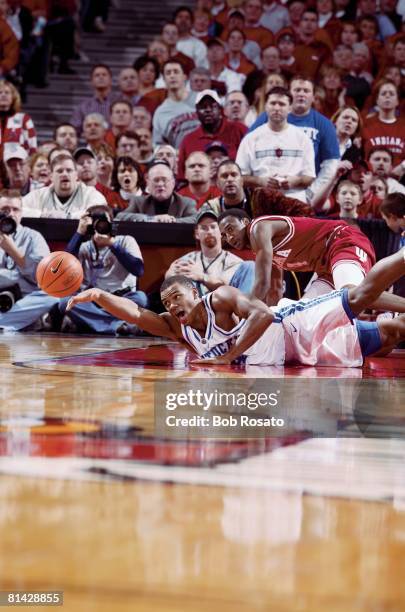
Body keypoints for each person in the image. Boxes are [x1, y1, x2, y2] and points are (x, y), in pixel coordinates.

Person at [66, 248, 405, 367]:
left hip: (291, 324)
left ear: (194, 293)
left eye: (177, 298)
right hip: (295, 357)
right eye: (167, 303)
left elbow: (262, 314)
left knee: (359, 296)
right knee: (389, 337)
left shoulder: (220, 299)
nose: (172, 305)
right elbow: (136, 313)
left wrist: (229, 356)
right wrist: (98, 295)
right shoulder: (177, 327)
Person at [217, 208, 377, 303]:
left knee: (350, 295)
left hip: (341, 240)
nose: (229, 238)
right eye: (224, 235)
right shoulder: (263, 249)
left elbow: (261, 285)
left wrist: (244, 317)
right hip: (325, 268)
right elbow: (274, 290)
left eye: (231, 229)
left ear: (245, 222)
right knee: (304, 315)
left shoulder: (258, 228)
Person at [248, 76, 340, 202]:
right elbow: (249, 150)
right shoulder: (266, 117)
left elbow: (330, 165)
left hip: (305, 191)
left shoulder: (324, 124)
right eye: (297, 90)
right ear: (289, 94)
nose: (301, 94)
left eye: (306, 91)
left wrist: (312, 193)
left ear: (313, 97)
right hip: (267, 190)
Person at [60, 205, 148, 335]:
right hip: (94, 300)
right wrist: (79, 232)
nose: (100, 227)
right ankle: (119, 326)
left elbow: (138, 270)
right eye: (96, 224)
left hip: (122, 299)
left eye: (104, 222)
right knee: (65, 302)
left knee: (141, 298)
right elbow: (64, 268)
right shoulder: (84, 247)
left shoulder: (125, 241)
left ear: (112, 223)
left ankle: (94, 323)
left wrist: (112, 245)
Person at [236, 87, 315, 202]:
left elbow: (309, 177)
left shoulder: (303, 139)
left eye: (282, 104)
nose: (277, 108)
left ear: (290, 108)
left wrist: (294, 181)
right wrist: (260, 181)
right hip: (262, 201)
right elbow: (240, 177)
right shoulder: (251, 139)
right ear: (265, 106)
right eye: (273, 103)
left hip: (295, 200)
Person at [165, 207, 254, 296]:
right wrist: (169, 275)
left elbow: (230, 290)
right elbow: (170, 281)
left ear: (220, 232)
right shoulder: (187, 259)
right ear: (196, 233)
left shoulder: (234, 261)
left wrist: (202, 277)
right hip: (193, 306)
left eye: (213, 227)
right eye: (204, 228)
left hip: (223, 306)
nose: (209, 231)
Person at [177, 89, 248, 178]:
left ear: (220, 109)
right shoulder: (188, 140)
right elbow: (181, 177)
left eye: (213, 106)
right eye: (203, 107)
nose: (208, 110)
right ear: (196, 113)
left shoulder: (239, 130)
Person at [0, 190, 49, 314]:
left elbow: (43, 278)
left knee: (52, 298)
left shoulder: (34, 237)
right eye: (5, 209)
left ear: (21, 213)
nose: (10, 214)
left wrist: (12, 250)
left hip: (25, 297)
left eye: (15, 209)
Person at [22, 154, 107, 219]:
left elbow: (98, 211)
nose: (65, 174)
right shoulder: (39, 195)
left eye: (69, 170)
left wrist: (67, 216)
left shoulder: (89, 193)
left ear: (76, 175)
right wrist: (43, 215)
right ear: (51, 176)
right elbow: (18, 209)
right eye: (59, 171)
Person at [116, 160, 197, 223]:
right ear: (148, 183)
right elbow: (120, 217)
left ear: (173, 183)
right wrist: (151, 219)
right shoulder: (138, 202)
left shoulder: (186, 203)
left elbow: (195, 219)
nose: (160, 184)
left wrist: (171, 220)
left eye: (164, 180)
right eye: (156, 180)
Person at [152, 59, 198, 149]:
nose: (172, 76)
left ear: (185, 77)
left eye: (176, 72)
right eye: (168, 73)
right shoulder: (161, 112)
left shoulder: (201, 100)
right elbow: (158, 145)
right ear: (164, 79)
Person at [70, 64, 118, 134]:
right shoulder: (83, 107)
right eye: (97, 75)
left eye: (104, 75)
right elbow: (73, 130)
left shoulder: (120, 103)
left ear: (111, 80)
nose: (101, 77)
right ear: (91, 81)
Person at [0, 80, 37, 156]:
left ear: (13, 97)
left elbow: (32, 147)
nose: (3, 95)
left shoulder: (24, 119)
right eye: (0, 92)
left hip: (16, 165)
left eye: (7, 92)